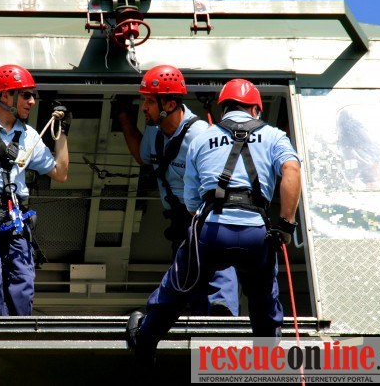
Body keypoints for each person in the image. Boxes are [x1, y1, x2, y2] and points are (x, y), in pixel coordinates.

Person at [127, 78, 302, 369]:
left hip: (212, 232)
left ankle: (144, 340)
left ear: (223, 110)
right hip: (256, 234)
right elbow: (291, 170)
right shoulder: (274, 136)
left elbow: (191, 201)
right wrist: (285, 225)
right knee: (264, 301)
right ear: (255, 110)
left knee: (177, 285)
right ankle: (268, 358)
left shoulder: (201, 138)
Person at [115, 65, 239, 318]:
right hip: (180, 220)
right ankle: (200, 317)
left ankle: (221, 310)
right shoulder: (155, 132)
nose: (144, 107)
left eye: (149, 101)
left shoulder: (202, 135)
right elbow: (143, 157)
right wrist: (124, 119)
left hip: (204, 215)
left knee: (215, 261)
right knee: (188, 274)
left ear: (169, 105)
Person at [0, 64, 71, 315]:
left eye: (33, 96)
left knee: (23, 278)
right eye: (26, 95)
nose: (32, 102)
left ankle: (19, 327)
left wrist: (62, 132)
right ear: (5, 95)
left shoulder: (30, 136)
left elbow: (60, 173)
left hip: (15, 216)